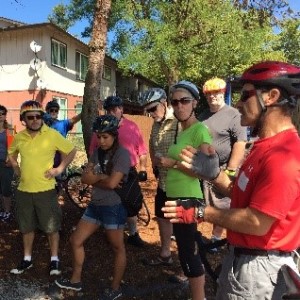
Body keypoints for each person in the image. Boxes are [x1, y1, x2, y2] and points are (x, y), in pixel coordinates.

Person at [162, 61, 300, 300]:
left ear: (272, 96)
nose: (237, 103)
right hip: (243, 260)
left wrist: (201, 211)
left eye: (245, 95)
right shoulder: (262, 148)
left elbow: (257, 222)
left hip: (259, 270)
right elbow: (238, 192)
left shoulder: (284, 156)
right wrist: (214, 174)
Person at [55, 115, 130, 300]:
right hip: (95, 205)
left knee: (117, 248)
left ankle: (115, 288)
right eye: (99, 136)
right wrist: (102, 177)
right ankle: (75, 280)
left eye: (105, 137)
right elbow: (84, 178)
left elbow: (112, 184)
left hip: (113, 207)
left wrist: (97, 179)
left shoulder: (122, 154)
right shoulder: (97, 152)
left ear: (114, 135)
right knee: (75, 240)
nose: (101, 140)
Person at [8, 100, 76, 276]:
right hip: (24, 191)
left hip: (45, 191)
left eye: (39, 116)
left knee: (51, 228)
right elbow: (11, 153)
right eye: (31, 117)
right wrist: (15, 166)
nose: (35, 120)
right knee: (26, 227)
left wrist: (59, 169)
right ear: (24, 119)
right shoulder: (19, 137)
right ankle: (27, 259)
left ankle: (54, 260)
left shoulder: (51, 134)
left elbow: (71, 150)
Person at [158, 81, 212, 300]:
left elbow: (207, 170)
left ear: (195, 103)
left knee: (189, 254)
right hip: (175, 195)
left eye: (185, 101)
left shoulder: (199, 130)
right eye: (175, 102)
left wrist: (173, 164)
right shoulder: (183, 131)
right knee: (185, 250)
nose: (179, 106)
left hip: (188, 198)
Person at [89, 96, 148, 247]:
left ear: (121, 109)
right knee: (110, 204)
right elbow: (93, 152)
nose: (112, 112)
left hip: (128, 172)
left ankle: (133, 233)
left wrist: (142, 169)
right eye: (109, 109)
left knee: (132, 204)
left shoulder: (132, 127)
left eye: (115, 108)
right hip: (107, 171)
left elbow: (141, 151)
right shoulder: (101, 127)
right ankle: (112, 233)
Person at [200, 77, 247, 246]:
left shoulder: (234, 114)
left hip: (224, 168)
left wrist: (231, 170)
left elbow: (240, 143)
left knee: (222, 205)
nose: (212, 96)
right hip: (204, 168)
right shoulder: (203, 116)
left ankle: (215, 239)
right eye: (208, 94)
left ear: (223, 93)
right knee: (207, 203)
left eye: (216, 93)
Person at [142, 88, 179, 265]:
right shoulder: (157, 123)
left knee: (182, 223)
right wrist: (154, 165)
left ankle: (188, 264)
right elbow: (152, 145)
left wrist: (173, 163)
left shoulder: (179, 121)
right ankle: (165, 254)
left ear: (164, 103)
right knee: (163, 217)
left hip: (181, 181)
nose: (150, 114)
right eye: (147, 110)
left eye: (153, 108)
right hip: (163, 181)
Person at [44, 99, 81, 168]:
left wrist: (84, 111)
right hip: (44, 161)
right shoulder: (41, 125)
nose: (54, 112)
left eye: (56, 110)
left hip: (59, 162)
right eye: (51, 110)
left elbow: (74, 120)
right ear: (47, 111)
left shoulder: (62, 124)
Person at [0, 105, 14, 221]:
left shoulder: (9, 129)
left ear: (5, 115)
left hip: (5, 163)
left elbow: (13, 147)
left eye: (2, 113)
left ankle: (7, 212)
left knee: (6, 188)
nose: (0, 115)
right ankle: (3, 210)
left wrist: (10, 160)